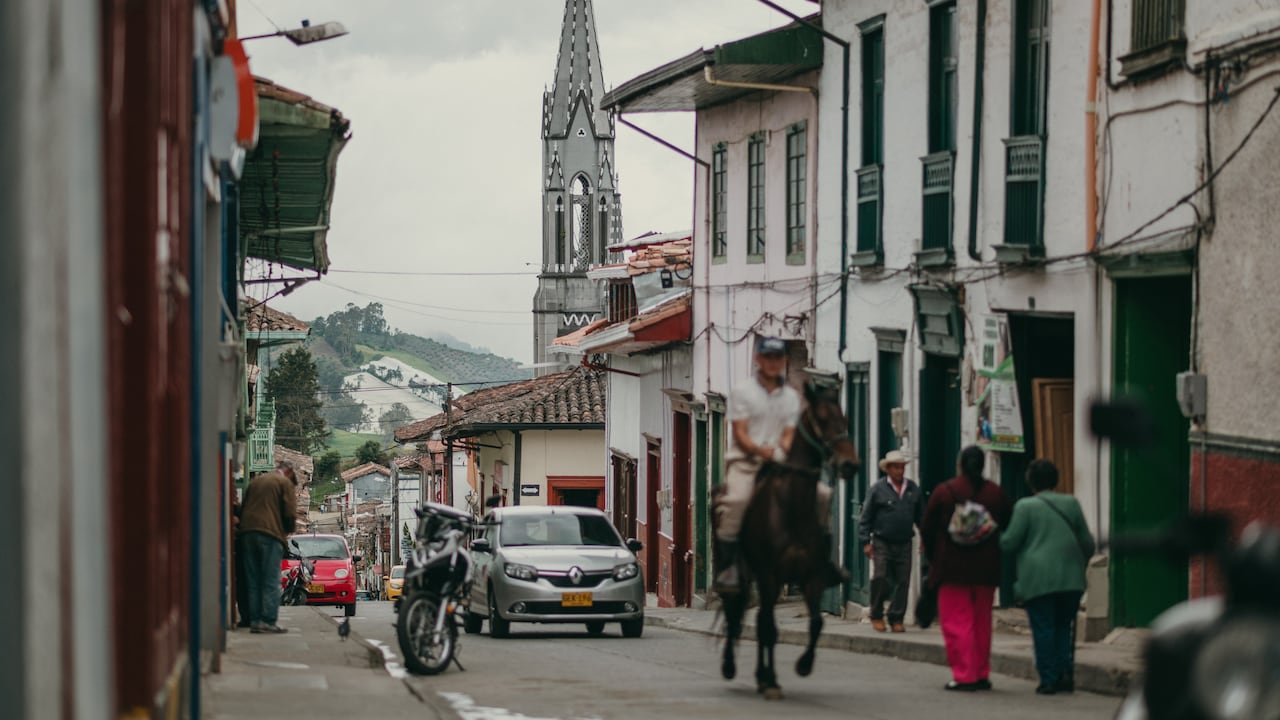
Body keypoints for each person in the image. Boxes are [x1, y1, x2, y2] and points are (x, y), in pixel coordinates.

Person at [713, 336, 845, 594]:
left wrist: (781, 449)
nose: (773, 363)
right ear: (758, 360)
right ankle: (729, 567)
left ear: (784, 360)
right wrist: (759, 450)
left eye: (778, 358)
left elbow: (788, 431)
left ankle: (822, 561)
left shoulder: (791, 398)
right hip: (746, 460)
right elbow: (739, 431)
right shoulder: (743, 392)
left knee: (822, 494)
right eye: (768, 358)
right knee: (737, 501)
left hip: (780, 458)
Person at [921, 446, 1013, 691]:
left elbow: (927, 528)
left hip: (952, 569)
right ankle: (981, 672)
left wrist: (934, 559)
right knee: (982, 622)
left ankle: (964, 674)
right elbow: (1007, 523)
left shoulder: (945, 492)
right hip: (986, 570)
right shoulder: (996, 494)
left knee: (957, 623)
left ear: (960, 464)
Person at [1000, 459, 1096, 695]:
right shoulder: (1071, 503)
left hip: (1038, 579)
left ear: (1030, 482)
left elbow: (1009, 543)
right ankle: (1065, 674)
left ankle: (1048, 679)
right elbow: (1088, 543)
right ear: (1056, 480)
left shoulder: (1025, 507)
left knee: (1044, 627)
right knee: (1064, 626)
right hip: (1070, 578)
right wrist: (1076, 564)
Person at [859, 449, 923, 633]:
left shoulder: (912, 489)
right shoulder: (878, 489)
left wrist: (924, 535)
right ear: (888, 469)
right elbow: (866, 517)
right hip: (882, 541)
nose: (900, 471)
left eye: (902, 467)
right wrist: (865, 541)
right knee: (881, 577)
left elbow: (921, 515)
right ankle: (877, 614)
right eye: (896, 467)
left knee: (903, 580)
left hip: (904, 541)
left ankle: (896, 618)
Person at [237, 459, 299, 633]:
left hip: (247, 533)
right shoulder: (284, 483)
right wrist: (287, 531)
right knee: (271, 579)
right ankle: (268, 620)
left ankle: (255, 620)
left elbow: (243, 508)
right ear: (289, 472)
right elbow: (289, 512)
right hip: (270, 534)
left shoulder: (256, 481)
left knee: (253, 579)